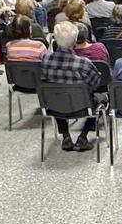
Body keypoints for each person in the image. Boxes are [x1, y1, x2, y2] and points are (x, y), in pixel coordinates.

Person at [41, 21, 102, 152]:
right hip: (83, 107)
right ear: (75, 41)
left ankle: (66, 135)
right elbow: (96, 82)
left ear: (55, 40)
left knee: (56, 94)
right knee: (102, 99)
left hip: (54, 106)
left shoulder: (45, 59)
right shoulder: (83, 63)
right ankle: (83, 136)